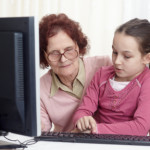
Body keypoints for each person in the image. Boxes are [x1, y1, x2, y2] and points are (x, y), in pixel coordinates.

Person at [73, 18, 150, 136]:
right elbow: (83, 110)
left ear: (147, 58)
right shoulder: (101, 74)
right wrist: (82, 119)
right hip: (95, 141)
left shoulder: (146, 81)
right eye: (115, 52)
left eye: (127, 56)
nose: (117, 61)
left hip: (126, 144)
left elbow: (140, 127)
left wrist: (96, 130)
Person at [40, 13, 112, 132]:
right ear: (45, 56)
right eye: (54, 53)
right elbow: (40, 133)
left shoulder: (105, 64)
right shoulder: (39, 90)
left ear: (78, 46)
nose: (63, 59)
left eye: (69, 50)